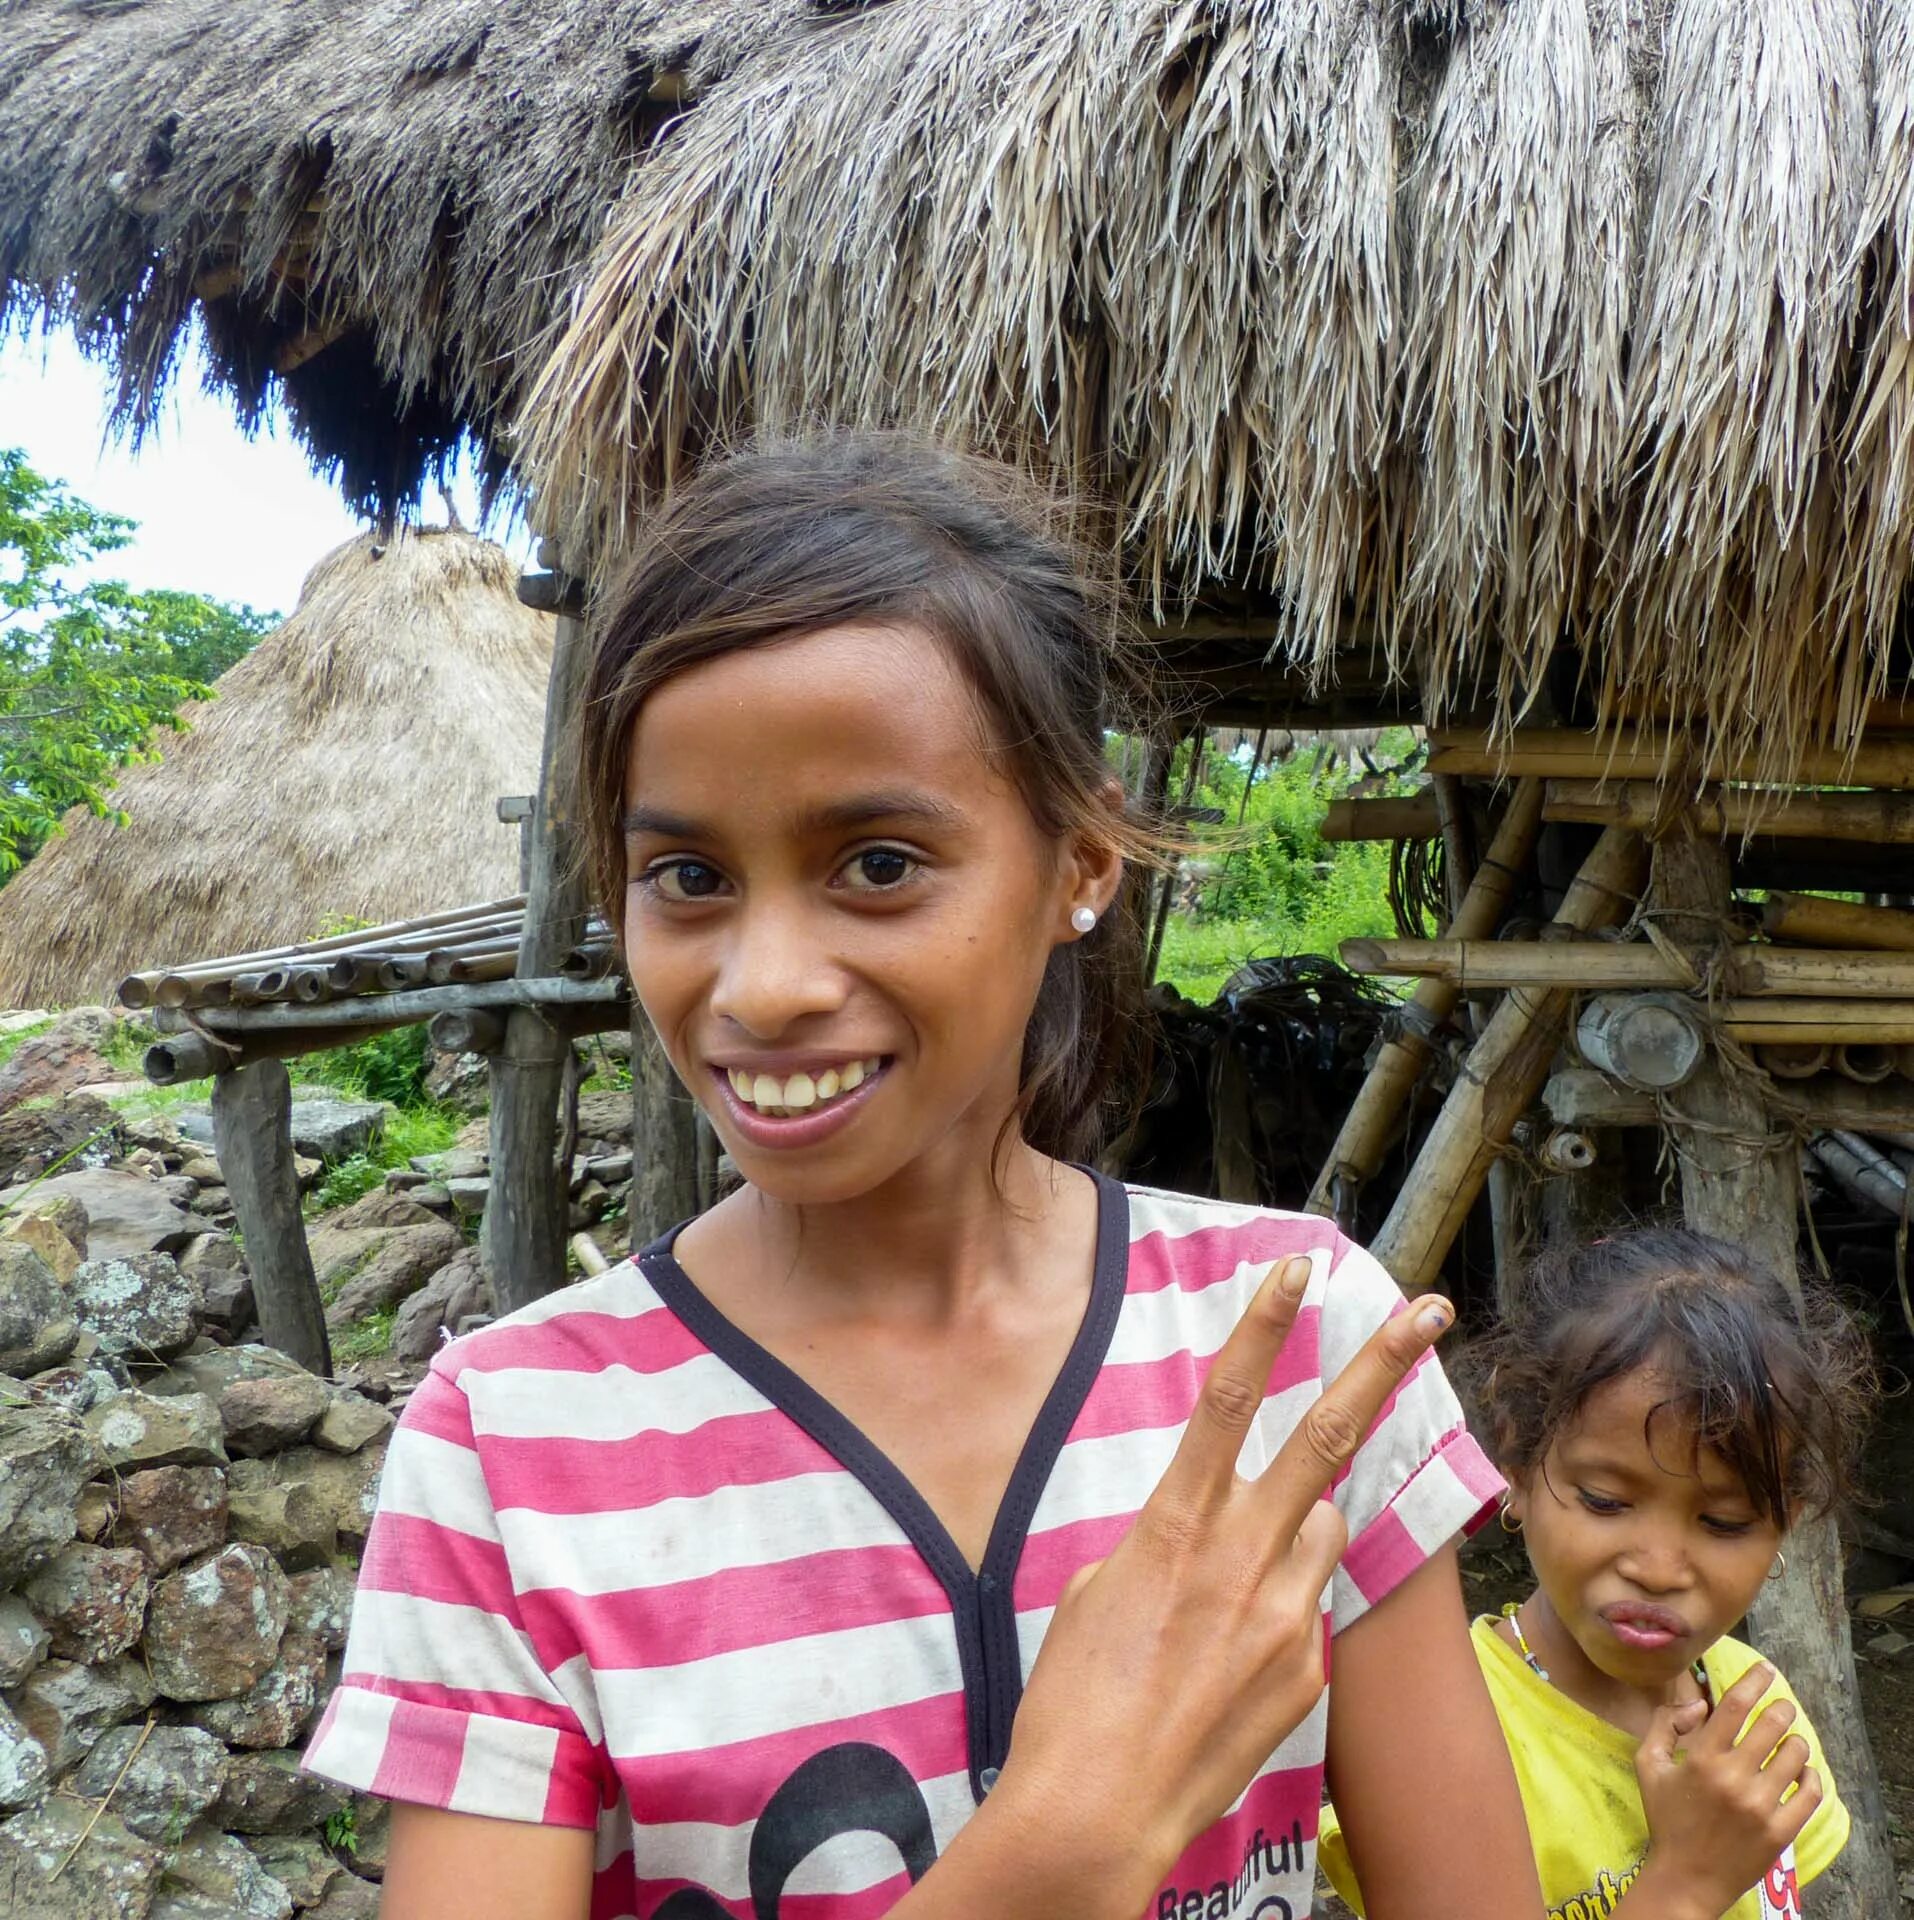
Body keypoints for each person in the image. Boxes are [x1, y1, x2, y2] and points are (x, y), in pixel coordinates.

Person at [302, 434, 1543, 1920]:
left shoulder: (1294, 1350)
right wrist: (1052, 1858)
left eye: (878, 863)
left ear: (1080, 862)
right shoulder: (510, 1451)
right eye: (686, 878)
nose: (761, 987)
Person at [1319, 1228, 1869, 1920]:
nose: (1658, 1568)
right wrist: (1685, 1885)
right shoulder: (1441, 1731)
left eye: (1724, 1523)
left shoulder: (1756, 1712)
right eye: (1606, 1502)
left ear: (1784, 1521)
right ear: (1516, 1469)